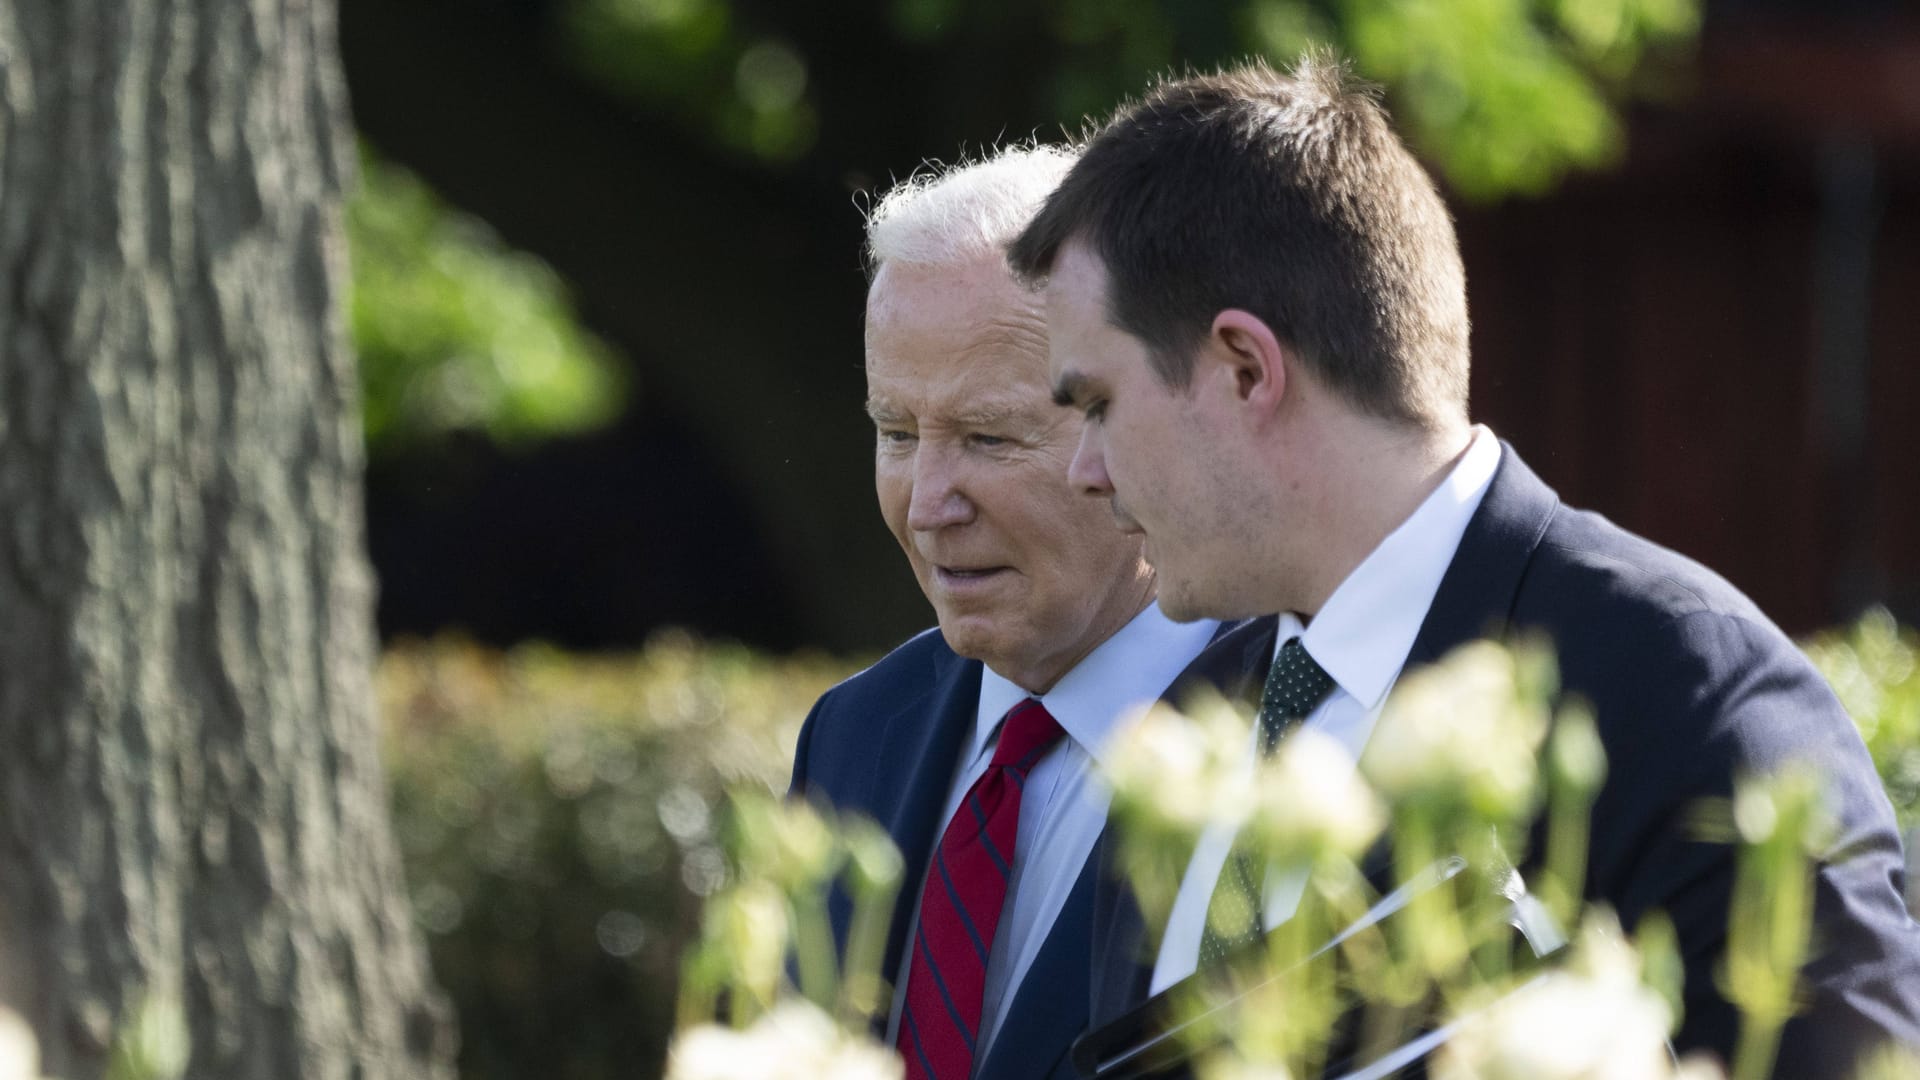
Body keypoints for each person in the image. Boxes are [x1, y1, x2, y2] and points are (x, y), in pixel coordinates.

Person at [1007, 54, 1920, 1077]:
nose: (1082, 470)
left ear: (1244, 368)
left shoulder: (1681, 689)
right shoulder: (1196, 729)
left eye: (1095, 405)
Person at [788, 147, 1268, 1080]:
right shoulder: (852, 734)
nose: (928, 503)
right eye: (896, 434)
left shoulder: (1300, 740)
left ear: (1131, 420)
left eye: (988, 437)